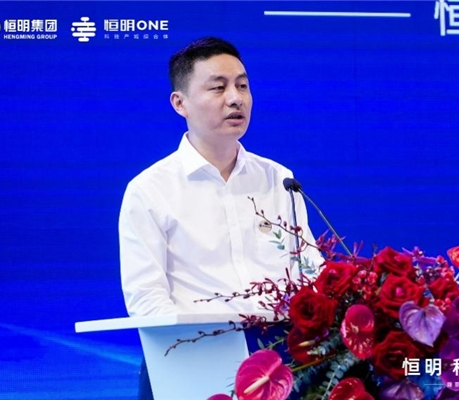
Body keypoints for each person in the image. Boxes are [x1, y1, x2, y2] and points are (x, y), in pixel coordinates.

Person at [118, 37, 320, 399]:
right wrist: (191, 359)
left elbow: (309, 271)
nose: (235, 98)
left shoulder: (279, 179)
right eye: (218, 87)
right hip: (192, 360)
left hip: (280, 361)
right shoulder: (149, 189)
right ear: (180, 103)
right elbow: (146, 298)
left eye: (242, 85)